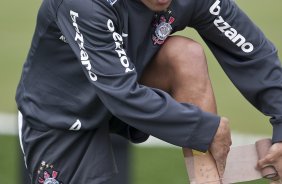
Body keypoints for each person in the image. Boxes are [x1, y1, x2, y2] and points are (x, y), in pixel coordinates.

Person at [15, 0, 282, 183]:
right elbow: (120, 94)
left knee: (185, 55)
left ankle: (207, 175)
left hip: (131, 82)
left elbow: (254, 54)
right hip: (62, 115)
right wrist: (206, 127)